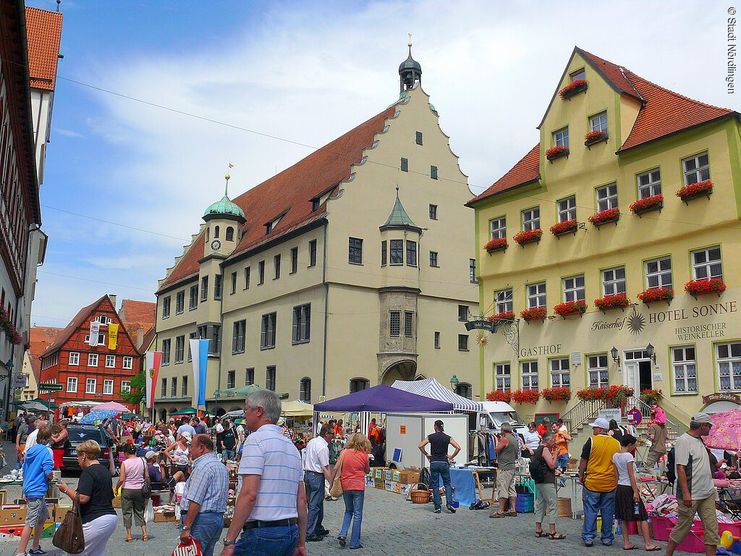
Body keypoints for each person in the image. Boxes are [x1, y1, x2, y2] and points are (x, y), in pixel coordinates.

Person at [220, 390, 307, 556]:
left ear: (258, 411)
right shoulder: (292, 448)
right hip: (289, 530)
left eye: (246, 410)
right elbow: (302, 500)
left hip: (263, 531)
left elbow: (249, 494)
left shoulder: (255, 440)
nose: (245, 414)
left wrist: (229, 540)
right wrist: (301, 542)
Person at [665, 413, 719, 556]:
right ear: (702, 426)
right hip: (691, 493)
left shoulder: (700, 440)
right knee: (683, 527)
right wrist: (686, 493)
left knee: (712, 530)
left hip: (706, 493)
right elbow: (680, 468)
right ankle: (668, 554)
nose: (710, 429)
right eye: (709, 426)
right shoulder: (684, 441)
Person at [58, 440, 118, 556]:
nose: (77, 459)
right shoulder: (104, 471)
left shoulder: (88, 472)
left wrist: (65, 489)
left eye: (78, 456)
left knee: (76, 552)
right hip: (110, 518)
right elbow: (109, 495)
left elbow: (83, 498)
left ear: (84, 456)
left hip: (95, 519)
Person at [180, 434, 229, 556]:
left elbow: (195, 500)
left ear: (201, 447)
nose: (190, 450)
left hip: (201, 519)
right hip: (216, 518)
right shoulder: (221, 466)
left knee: (193, 552)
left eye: (191, 446)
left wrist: (186, 527)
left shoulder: (203, 467)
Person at [612, 434, 660, 551]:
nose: (634, 447)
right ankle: (648, 543)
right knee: (642, 516)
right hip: (629, 487)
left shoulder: (615, 456)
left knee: (623, 517)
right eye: (634, 445)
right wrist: (635, 492)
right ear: (629, 444)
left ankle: (626, 542)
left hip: (620, 487)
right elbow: (631, 475)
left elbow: (616, 474)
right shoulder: (628, 456)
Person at [578, 417, 621, 547]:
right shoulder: (616, 443)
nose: (593, 429)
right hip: (610, 483)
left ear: (600, 429)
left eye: (594, 427)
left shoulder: (591, 441)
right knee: (607, 512)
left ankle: (589, 537)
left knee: (590, 511)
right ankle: (607, 537)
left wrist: (581, 475)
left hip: (593, 482)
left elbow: (583, 460)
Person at [16, 426, 53, 556]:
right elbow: (48, 471)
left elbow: (25, 470)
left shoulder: (31, 450)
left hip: (29, 487)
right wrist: (52, 476)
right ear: (48, 438)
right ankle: (21, 552)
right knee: (30, 522)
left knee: (42, 517)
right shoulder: (45, 452)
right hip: (37, 489)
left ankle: (35, 546)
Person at [330, 432, 371, 549]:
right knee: (357, 514)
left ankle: (343, 533)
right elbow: (367, 470)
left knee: (348, 511)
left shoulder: (344, 453)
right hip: (358, 486)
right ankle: (354, 542)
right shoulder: (364, 455)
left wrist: (331, 482)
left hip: (346, 485)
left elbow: (336, 468)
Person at [419, 419, 460, 514]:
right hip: (444, 463)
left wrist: (426, 454)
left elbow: (420, 445)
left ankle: (437, 507)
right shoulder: (447, 437)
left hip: (434, 463)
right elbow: (458, 447)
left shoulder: (431, 437)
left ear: (435, 427)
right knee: (447, 484)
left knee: (435, 485)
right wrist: (451, 457)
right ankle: (449, 504)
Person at [304, 424, 334, 541]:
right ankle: (309, 532)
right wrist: (331, 483)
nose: (333, 436)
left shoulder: (313, 441)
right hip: (316, 476)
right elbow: (325, 468)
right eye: (332, 433)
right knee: (314, 505)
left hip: (308, 474)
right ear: (326, 434)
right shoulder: (323, 447)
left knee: (317, 503)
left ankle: (318, 527)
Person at [533, 431, 565, 540]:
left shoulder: (538, 449)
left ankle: (538, 529)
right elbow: (551, 465)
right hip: (546, 481)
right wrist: (555, 454)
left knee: (540, 505)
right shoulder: (545, 449)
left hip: (539, 481)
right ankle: (552, 531)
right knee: (552, 505)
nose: (555, 442)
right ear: (549, 440)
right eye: (553, 440)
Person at [115, 443, 149, 542]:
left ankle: (129, 535)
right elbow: (146, 476)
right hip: (139, 489)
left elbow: (121, 479)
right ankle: (144, 533)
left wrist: (117, 488)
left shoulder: (125, 463)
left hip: (127, 490)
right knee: (139, 511)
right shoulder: (143, 461)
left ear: (126, 453)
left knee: (127, 512)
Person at [490, 422, 518, 518]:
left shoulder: (505, 439)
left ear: (503, 430)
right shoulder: (514, 439)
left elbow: (497, 449)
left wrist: (499, 440)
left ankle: (500, 510)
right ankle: (513, 509)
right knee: (511, 488)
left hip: (504, 468)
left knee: (503, 487)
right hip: (512, 466)